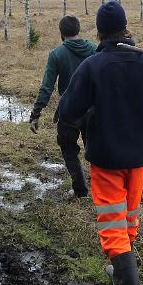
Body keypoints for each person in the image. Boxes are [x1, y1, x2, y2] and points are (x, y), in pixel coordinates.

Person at [58, 1, 143, 285]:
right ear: (126, 27)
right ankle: (119, 266)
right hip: (139, 158)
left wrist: (93, 111)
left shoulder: (93, 66)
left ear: (98, 31)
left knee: (113, 228)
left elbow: (67, 112)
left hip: (107, 159)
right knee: (128, 220)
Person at [29, 15, 97, 197]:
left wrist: (36, 113)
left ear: (61, 33)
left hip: (69, 112)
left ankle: (80, 189)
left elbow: (47, 86)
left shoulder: (57, 54)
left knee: (68, 149)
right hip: (94, 110)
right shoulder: (95, 49)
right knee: (95, 151)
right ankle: (100, 189)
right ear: (78, 30)